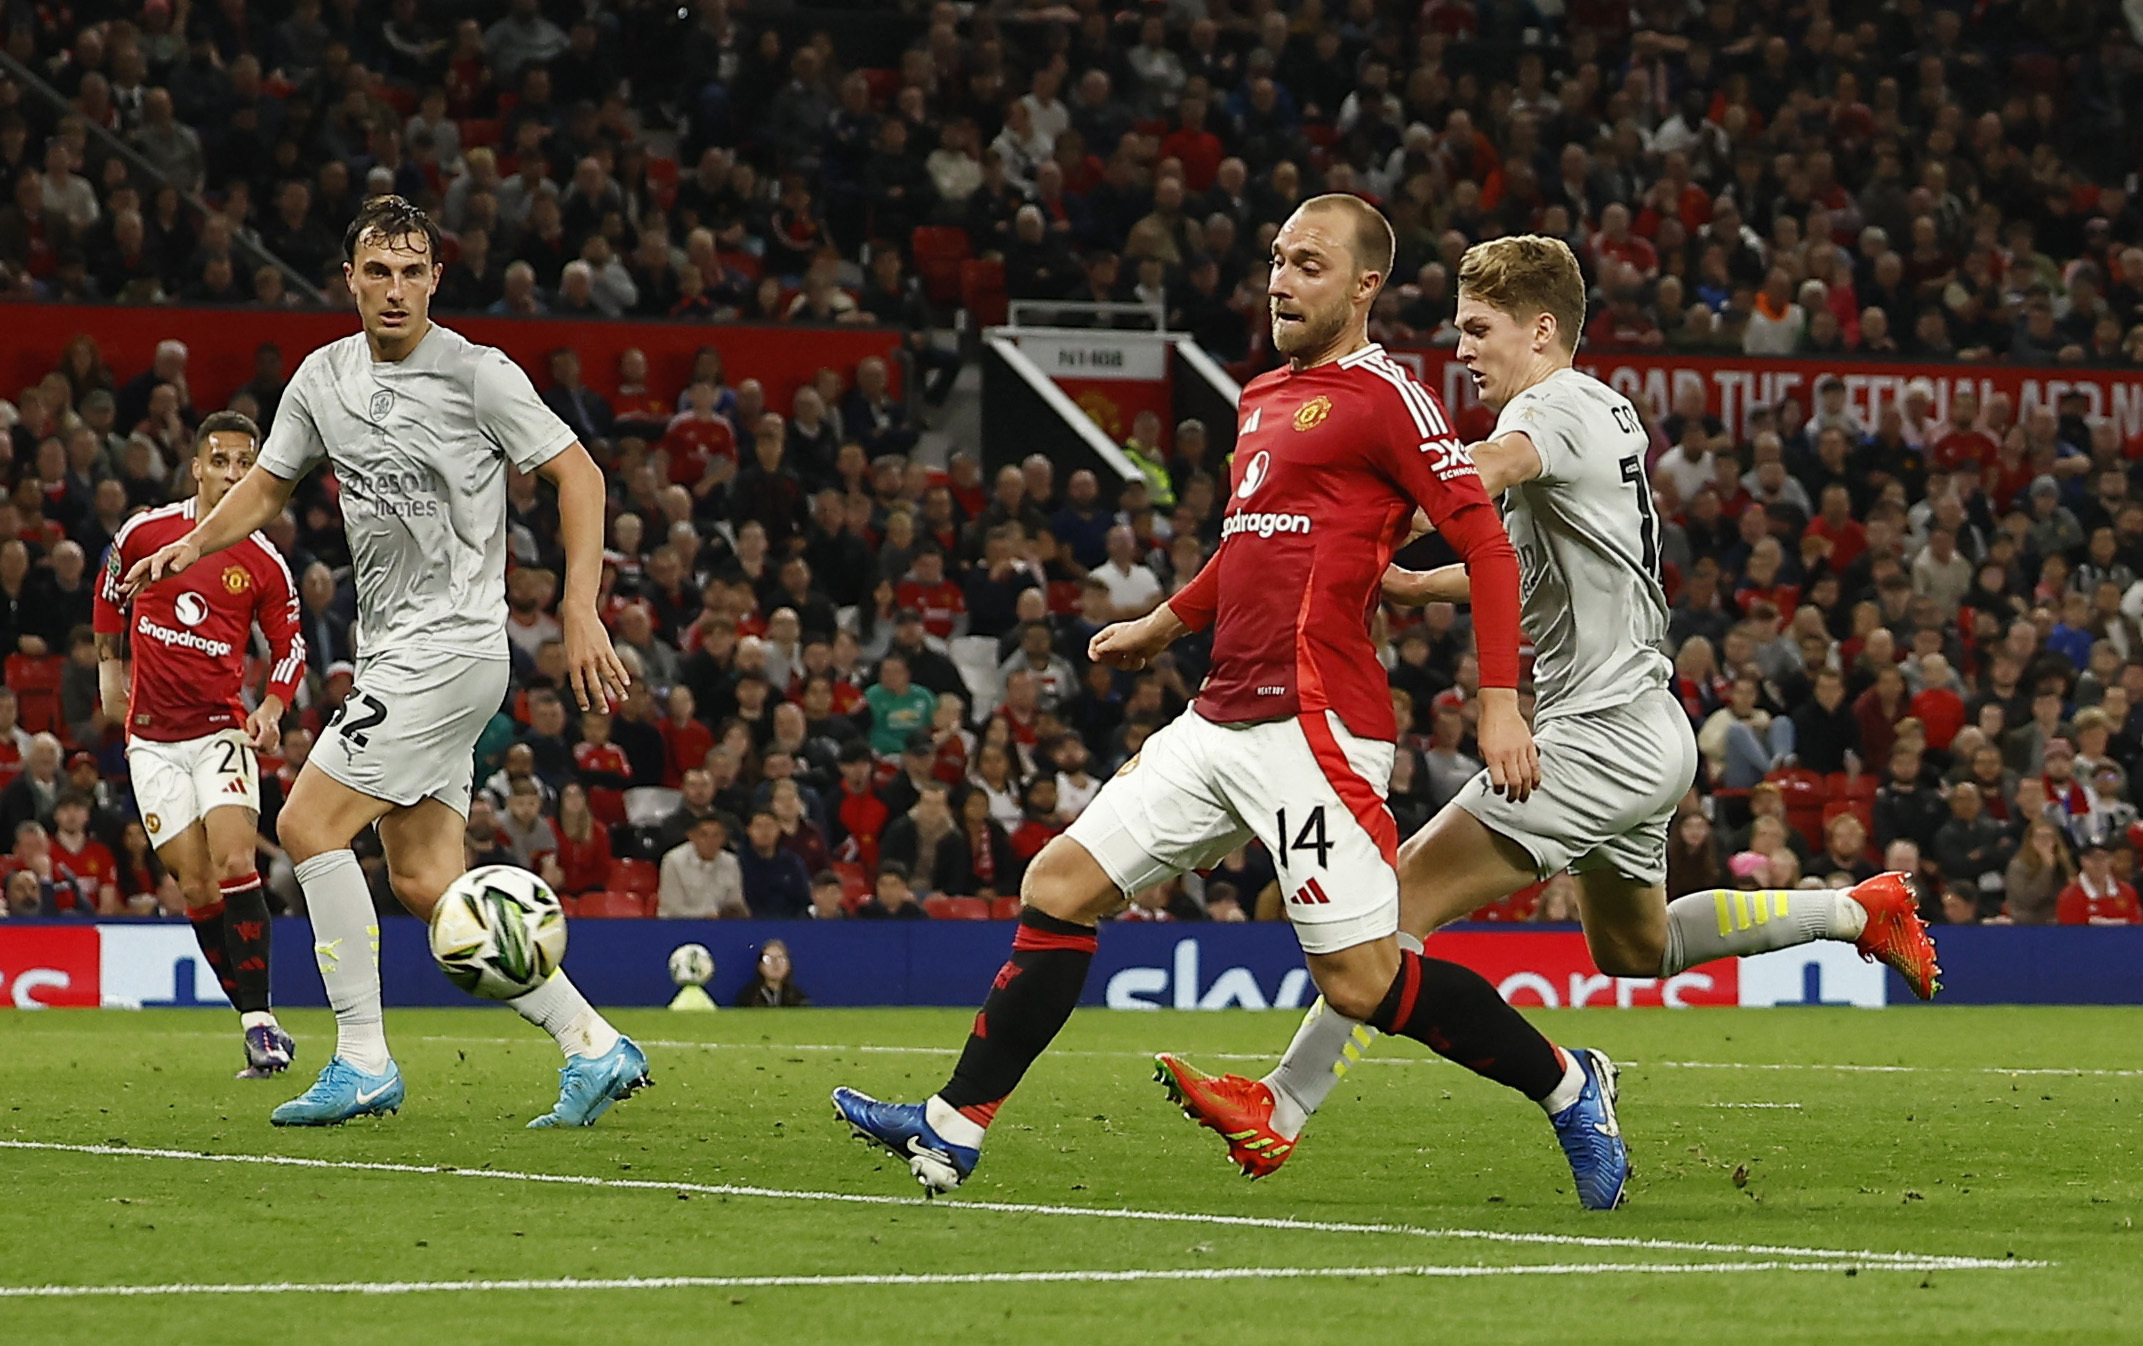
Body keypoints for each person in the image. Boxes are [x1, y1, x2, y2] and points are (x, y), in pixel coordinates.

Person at [1156, 233, 1938, 1197]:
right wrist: (1411, 589)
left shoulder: (1550, 408)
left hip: (1599, 736)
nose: (1464, 352)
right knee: (1635, 949)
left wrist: (1350, 506)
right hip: (1642, 725)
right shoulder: (1600, 413)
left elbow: (1477, 471)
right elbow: (1532, 570)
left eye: (1478, 331)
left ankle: (1281, 1104)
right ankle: (1853, 910)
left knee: (1389, 906)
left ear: (1539, 328)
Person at [833, 193, 1553, 1200]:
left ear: (1364, 286)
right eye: (1275, 259)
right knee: (1058, 885)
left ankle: (1567, 1086)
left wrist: (1496, 701)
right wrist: (1162, 624)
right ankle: (952, 1126)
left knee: (1361, 980)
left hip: (1315, 723)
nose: (1280, 279)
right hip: (1217, 715)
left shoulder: (1386, 395)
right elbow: (1249, 544)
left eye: (1308, 263)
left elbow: (1483, 539)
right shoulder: (1261, 394)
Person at [123, 196, 646, 1129]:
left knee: (309, 823)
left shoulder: (480, 375)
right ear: (350, 281)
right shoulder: (323, 379)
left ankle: (362, 1059)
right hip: (392, 656)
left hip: (450, 650)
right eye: (378, 272)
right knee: (422, 879)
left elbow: (581, 475)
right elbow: (271, 483)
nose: (395, 289)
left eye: (413, 271)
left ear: (436, 279)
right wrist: (195, 545)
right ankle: (593, 1045)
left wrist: (577, 608)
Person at [93, 410, 304, 1077]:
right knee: (196, 884)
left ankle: (261, 1022)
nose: (234, 474)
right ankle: (250, 1018)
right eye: (222, 461)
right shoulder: (145, 530)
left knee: (236, 859)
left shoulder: (263, 559)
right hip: (151, 742)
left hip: (219, 729)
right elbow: (109, 588)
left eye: (246, 463)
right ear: (196, 467)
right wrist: (108, 670)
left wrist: (272, 705)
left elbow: (289, 643)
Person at [658, 813, 744, 918]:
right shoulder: (674, 860)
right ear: (692, 836)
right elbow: (672, 908)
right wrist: (704, 917)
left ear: (723, 838)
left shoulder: (731, 862)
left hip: (719, 926)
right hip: (679, 926)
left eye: (716, 835)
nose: (710, 841)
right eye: (704, 835)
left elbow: (734, 903)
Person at [734, 938, 810, 1006]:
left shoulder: (798, 999)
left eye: (780, 959)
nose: (775, 963)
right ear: (760, 966)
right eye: (768, 959)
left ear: (788, 965)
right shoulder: (748, 998)